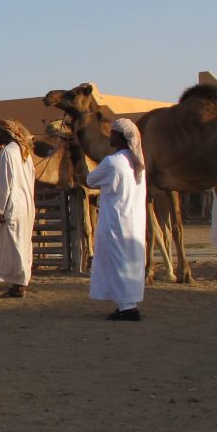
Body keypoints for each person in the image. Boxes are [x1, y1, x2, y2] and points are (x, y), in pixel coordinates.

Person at [86, 118, 147, 321]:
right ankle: (127, 304)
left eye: (113, 133)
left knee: (118, 261)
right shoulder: (137, 163)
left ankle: (127, 307)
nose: (109, 136)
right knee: (130, 261)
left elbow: (90, 180)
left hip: (116, 221)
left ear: (121, 137)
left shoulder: (113, 162)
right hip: (134, 221)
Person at [0, 119, 36, 298]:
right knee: (23, 242)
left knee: (15, 243)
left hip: (13, 204)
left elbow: (4, 182)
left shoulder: (8, 152)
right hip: (25, 202)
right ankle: (21, 281)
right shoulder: (25, 152)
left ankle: (18, 284)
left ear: (5, 133)